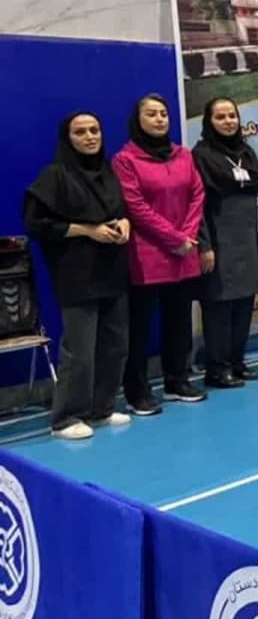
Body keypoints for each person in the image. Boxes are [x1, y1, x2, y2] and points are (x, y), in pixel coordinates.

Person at [24, 112, 132, 439]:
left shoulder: (107, 171)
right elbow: (37, 224)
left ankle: (101, 408)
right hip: (77, 274)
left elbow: (121, 209)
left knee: (115, 345)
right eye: (80, 132)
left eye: (94, 130)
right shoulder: (54, 176)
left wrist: (124, 222)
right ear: (67, 138)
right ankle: (66, 418)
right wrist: (87, 230)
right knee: (80, 350)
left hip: (112, 269)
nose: (89, 137)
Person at [114, 93, 207, 412]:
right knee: (139, 328)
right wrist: (174, 237)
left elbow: (197, 194)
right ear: (137, 120)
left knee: (179, 321)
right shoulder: (125, 160)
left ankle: (177, 380)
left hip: (184, 252)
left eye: (163, 114)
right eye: (152, 114)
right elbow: (135, 207)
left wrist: (188, 235)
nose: (159, 119)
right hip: (147, 255)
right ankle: (137, 391)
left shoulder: (184, 155)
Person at [193, 98, 258, 389]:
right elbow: (196, 205)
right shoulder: (201, 155)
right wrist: (204, 245)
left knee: (244, 305)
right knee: (219, 306)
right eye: (220, 117)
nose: (228, 121)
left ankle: (237, 361)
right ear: (209, 121)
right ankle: (217, 368)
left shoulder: (246, 151)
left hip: (247, 240)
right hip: (219, 241)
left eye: (232, 115)